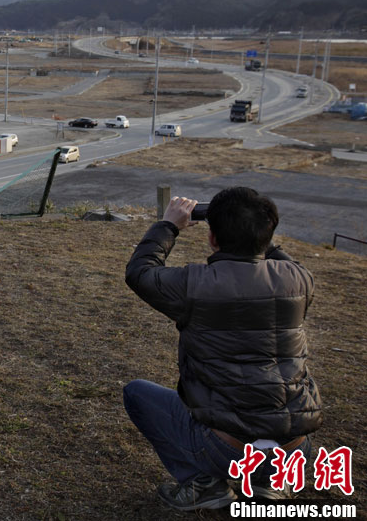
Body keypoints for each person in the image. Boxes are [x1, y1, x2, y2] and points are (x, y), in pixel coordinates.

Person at [123, 187, 323, 511]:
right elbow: (274, 258)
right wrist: (252, 234)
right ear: (267, 233)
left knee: (136, 393)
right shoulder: (299, 280)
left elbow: (140, 272)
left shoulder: (195, 284)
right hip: (294, 447)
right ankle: (271, 481)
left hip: (226, 450)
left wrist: (169, 225)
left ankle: (203, 484)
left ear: (213, 239)